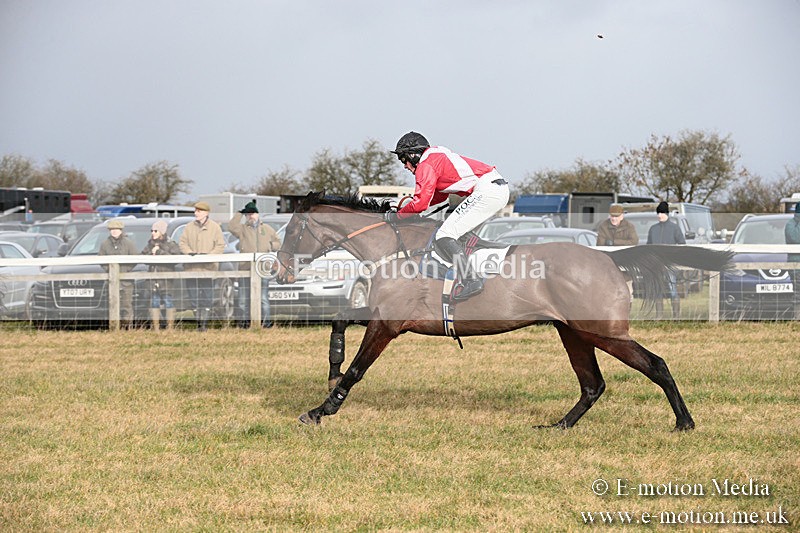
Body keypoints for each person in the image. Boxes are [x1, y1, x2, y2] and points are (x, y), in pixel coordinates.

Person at [388, 131, 510, 301]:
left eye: (404, 160)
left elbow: (421, 202)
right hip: (494, 189)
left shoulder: (426, 165)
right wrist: (411, 210)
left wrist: (397, 216)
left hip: (487, 191)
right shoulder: (434, 156)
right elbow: (438, 197)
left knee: (445, 235)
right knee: (456, 232)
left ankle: (471, 280)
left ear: (413, 155)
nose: (405, 166)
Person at [228, 200, 281, 328]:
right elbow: (231, 226)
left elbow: (278, 243)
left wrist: (270, 246)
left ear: (257, 214)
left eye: (252, 213)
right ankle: (244, 324)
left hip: (263, 269)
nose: (250, 216)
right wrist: (240, 213)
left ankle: (266, 323)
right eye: (248, 214)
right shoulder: (242, 229)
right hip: (245, 268)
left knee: (263, 298)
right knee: (243, 299)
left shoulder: (267, 229)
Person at [179, 201, 226, 331]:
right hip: (191, 268)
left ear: (206, 213)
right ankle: (198, 322)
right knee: (193, 297)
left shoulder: (215, 227)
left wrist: (209, 256)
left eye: (199, 211)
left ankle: (204, 324)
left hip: (208, 269)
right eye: (195, 211)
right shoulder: (189, 227)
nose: (196, 213)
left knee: (207, 297)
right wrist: (189, 253)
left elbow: (220, 245)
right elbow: (182, 243)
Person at [646, 201, 686, 319]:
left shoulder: (674, 228)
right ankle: (659, 316)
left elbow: (682, 245)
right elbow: (649, 246)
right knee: (657, 290)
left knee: (672, 289)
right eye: (658, 213)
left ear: (667, 213)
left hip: (670, 264)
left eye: (662, 213)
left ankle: (676, 316)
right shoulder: (653, 229)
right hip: (656, 264)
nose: (659, 215)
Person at [142, 219, 181, 330]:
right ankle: (156, 328)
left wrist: (159, 252)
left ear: (162, 232)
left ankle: (170, 328)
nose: (153, 233)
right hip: (153, 280)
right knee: (154, 302)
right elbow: (142, 256)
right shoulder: (150, 244)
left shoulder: (170, 244)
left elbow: (176, 257)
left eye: (155, 231)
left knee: (168, 302)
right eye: (152, 231)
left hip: (166, 280)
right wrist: (151, 253)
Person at [98, 219, 139, 327]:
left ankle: (127, 327)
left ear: (121, 230)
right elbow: (101, 260)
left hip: (126, 281)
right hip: (111, 281)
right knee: (112, 304)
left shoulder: (128, 243)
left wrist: (126, 269)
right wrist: (109, 270)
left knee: (126, 305)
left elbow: (135, 258)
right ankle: (114, 326)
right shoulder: (105, 244)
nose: (114, 231)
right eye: (112, 229)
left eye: (116, 229)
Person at [596, 204, 638, 300]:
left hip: (625, 264)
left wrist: (614, 242)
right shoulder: (603, 226)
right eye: (612, 216)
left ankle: (627, 311)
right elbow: (600, 245)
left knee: (628, 291)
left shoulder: (629, 226)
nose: (613, 218)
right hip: (609, 264)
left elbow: (634, 242)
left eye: (616, 216)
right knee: (608, 292)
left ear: (622, 216)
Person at [784, 204, 800, 319]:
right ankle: (797, 318)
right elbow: (796, 238)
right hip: (796, 265)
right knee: (798, 295)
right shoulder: (791, 224)